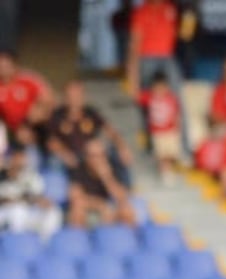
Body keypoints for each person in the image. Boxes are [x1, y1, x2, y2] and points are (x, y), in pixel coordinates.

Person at [126, 0, 185, 149]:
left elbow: (180, 34)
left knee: (177, 101)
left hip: (167, 57)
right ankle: (151, 145)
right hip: (146, 58)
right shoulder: (141, 11)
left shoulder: (170, 8)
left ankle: (182, 147)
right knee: (148, 103)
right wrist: (132, 79)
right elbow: (134, 44)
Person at [47, 81, 134, 182]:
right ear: (65, 98)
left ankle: (128, 189)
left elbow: (111, 131)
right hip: (71, 155)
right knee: (55, 162)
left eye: (78, 95)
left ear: (83, 96)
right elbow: (51, 141)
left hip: (92, 154)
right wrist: (64, 153)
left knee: (117, 154)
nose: (74, 99)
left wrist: (122, 147)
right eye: (71, 95)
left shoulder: (90, 112)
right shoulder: (57, 115)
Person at [66, 139, 136, 228]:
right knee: (77, 209)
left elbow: (122, 197)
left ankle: (125, 240)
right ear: (87, 157)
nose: (98, 159)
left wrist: (106, 177)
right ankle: (79, 239)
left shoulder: (114, 167)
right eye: (94, 156)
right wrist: (101, 206)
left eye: (102, 155)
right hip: (91, 206)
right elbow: (75, 197)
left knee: (127, 210)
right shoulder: (78, 170)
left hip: (111, 205)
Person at [0, 144, 62, 238]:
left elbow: (38, 196)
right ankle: (16, 245)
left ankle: (43, 245)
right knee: (18, 211)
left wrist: (43, 201)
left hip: (28, 210)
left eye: (21, 157)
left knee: (53, 211)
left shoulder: (31, 175)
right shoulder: (2, 175)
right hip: (5, 213)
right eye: (15, 157)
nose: (19, 161)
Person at [0, 49, 52, 148]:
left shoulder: (27, 80)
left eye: (6, 66)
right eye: (1, 66)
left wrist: (28, 125)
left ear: (15, 65)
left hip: (36, 130)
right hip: (10, 134)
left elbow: (48, 100)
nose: (3, 69)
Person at [140, 71, 181, 181]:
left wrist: (177, 128)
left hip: (171, 131)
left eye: (162, 87)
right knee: (162, 154)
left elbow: (176, 113)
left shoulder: (171, 98)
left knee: (171, 154)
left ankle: (169, 169)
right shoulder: (149, 97)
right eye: (156, 87)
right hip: (157, 133)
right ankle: (165, 173)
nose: (159, 90)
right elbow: (136, 96)